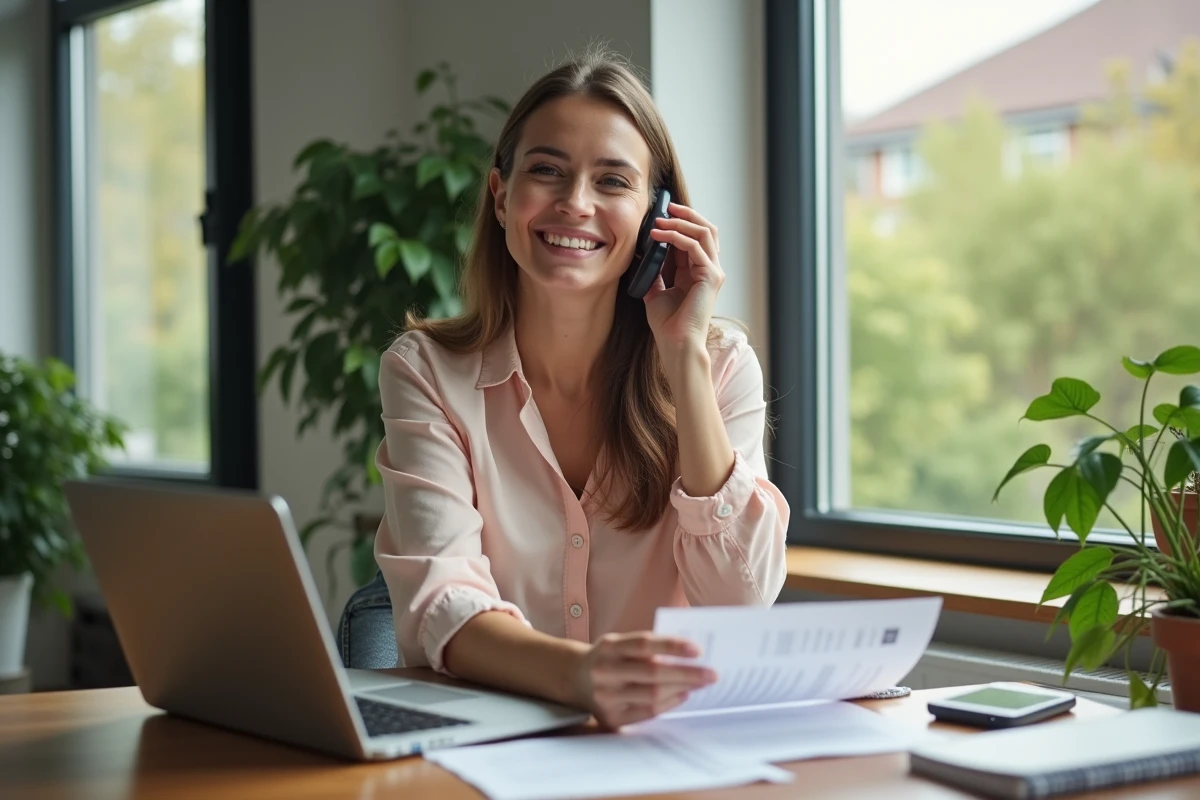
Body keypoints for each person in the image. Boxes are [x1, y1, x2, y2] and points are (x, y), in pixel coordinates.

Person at [373, 49, 789, 730]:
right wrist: (580, 677)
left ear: (659, 217)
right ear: (502, 195)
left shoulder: (718, 365)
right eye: (547, 171)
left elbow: (741, 602)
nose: (575, 204)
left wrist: (683, 357)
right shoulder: (426, 371)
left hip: (674, 748)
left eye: (613, 181)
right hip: (496, 747)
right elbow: (440, 603)